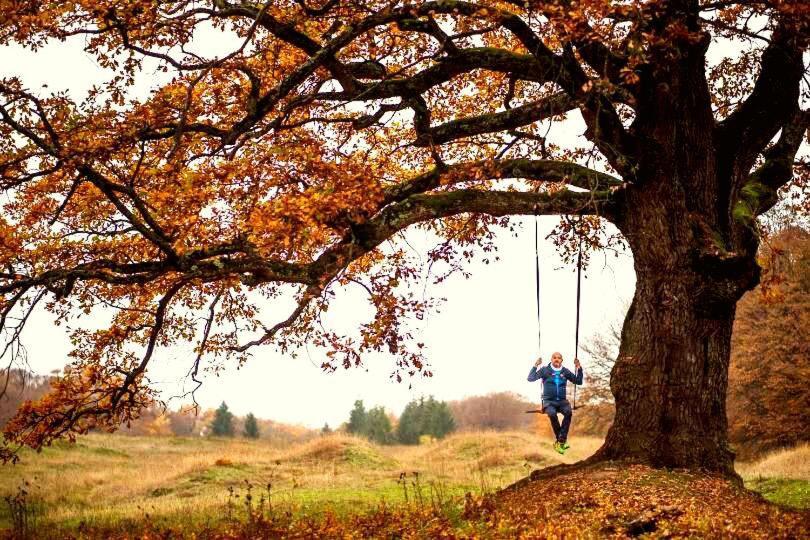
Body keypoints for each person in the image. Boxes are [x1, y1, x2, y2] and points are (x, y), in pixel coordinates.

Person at [527, 352, 583, 454]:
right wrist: (535, 365)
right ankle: (561, 440)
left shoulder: (565, 371)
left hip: (562, 401)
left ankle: (560, 440)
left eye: (559, 358)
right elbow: (530, 378)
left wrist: (579, 367)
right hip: (549, 402)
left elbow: (578, 381)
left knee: (568, 412)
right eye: (554, 358)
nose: (556, 359)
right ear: (551, 359)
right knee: (552, 414)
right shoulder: (545, 370)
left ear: (562, 360)